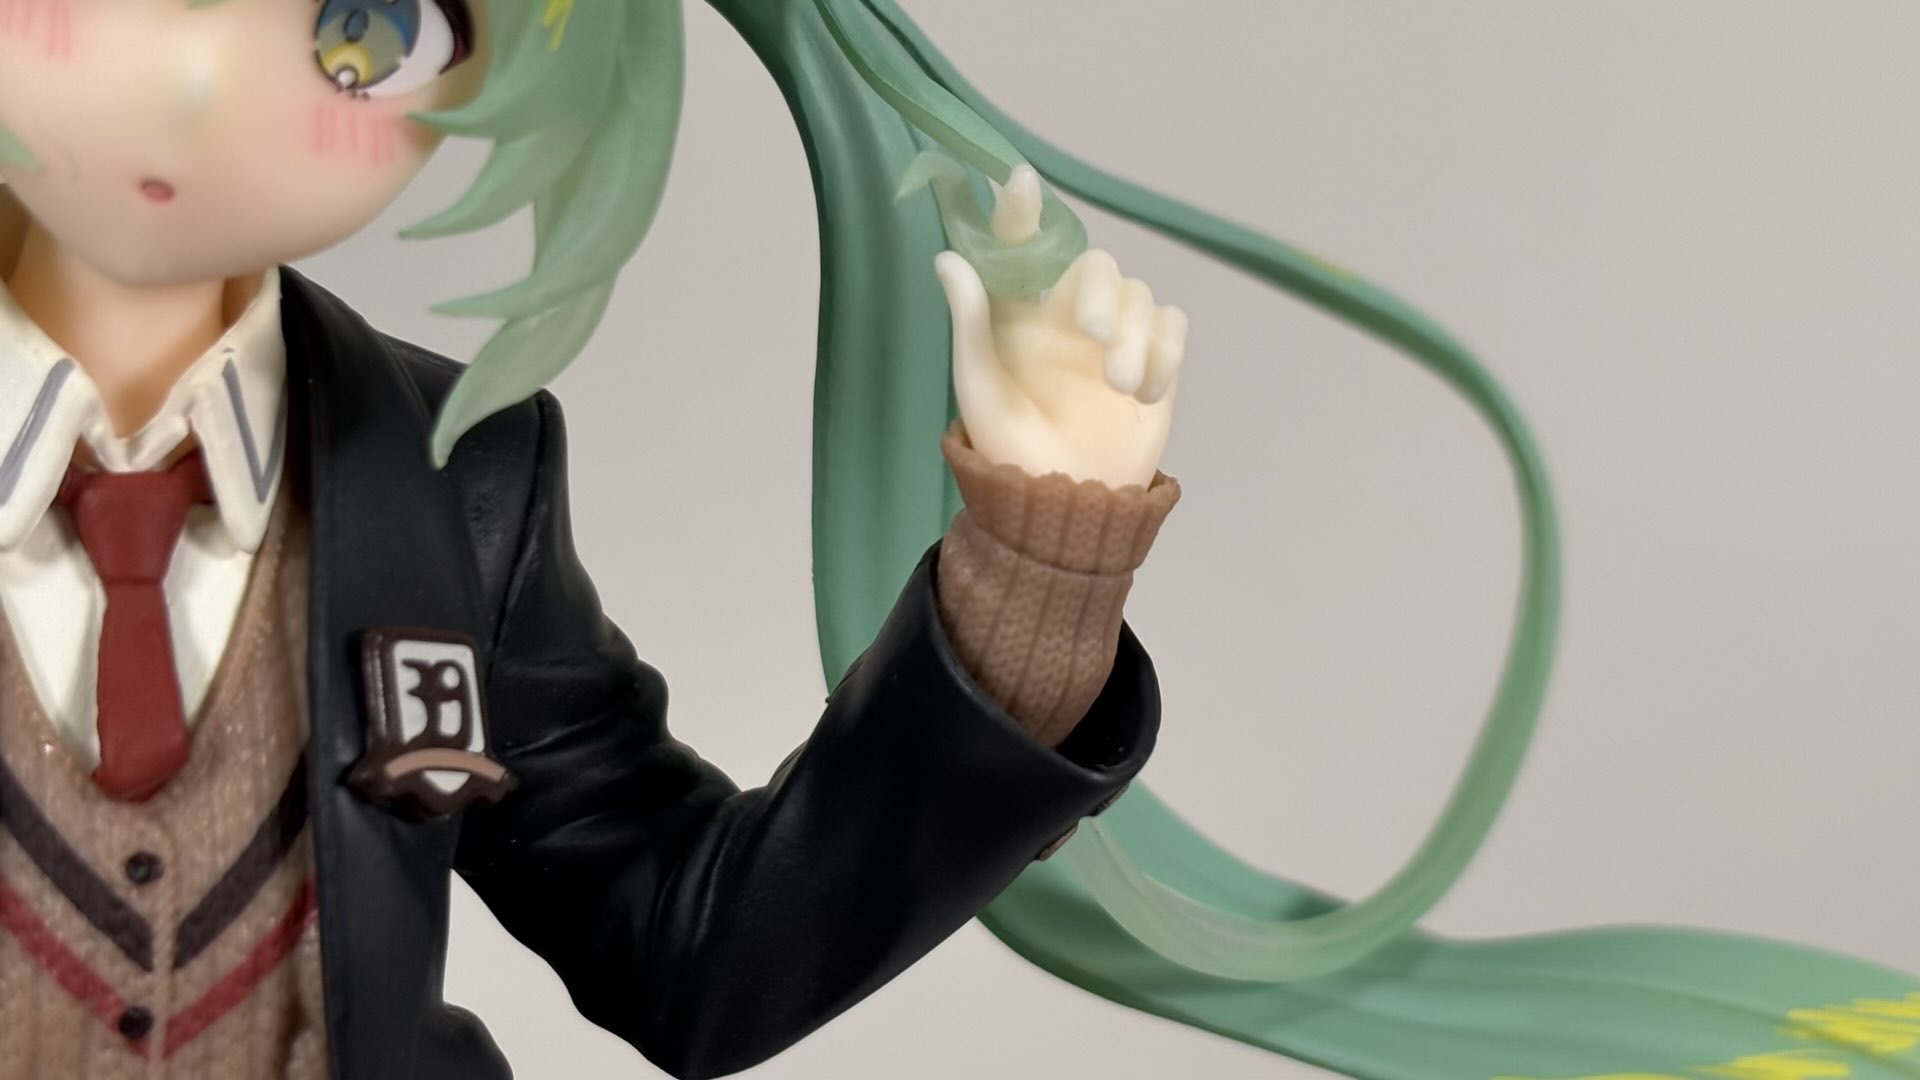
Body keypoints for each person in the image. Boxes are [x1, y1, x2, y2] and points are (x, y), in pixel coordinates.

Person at [0, 3, 1911, 1080]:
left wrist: (1033, 556)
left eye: (365, 26)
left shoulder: (455, 479)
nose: (199, 79)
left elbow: (693, 952)